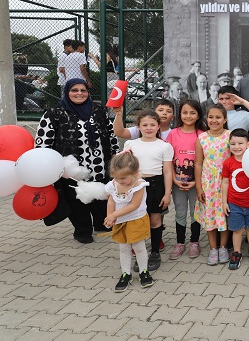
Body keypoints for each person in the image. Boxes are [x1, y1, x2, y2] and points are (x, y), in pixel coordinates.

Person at [35, 78, 119, 243]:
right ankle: (82, 230)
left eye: (83, 90)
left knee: (100, 195)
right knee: (76, 200)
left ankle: (103, 223)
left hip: (99, 164)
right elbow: (43, 142)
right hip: (71, 169)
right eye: (74, 90)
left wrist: (116, 153)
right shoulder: (54, 112)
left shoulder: (98, 109)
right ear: (67, 92)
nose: (79, 93)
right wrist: (44, 165)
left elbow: (111, 133)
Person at [123, 110, 174, 271]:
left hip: (156, 185)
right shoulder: (130, 144)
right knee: (139, 220)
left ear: (159, 126)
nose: (149, 128)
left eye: (153, 125)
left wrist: (167, 193)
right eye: (145, 125)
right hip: (136, 185)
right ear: (138, 126)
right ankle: (140, 253)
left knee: (155, 220)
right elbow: (126, 168)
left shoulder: (165, 146)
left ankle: (155, 252)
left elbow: (167, 171)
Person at [104, 150, 154, 291]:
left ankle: (144, 271)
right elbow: (111, 200)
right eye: (117, 178)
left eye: (124, 178)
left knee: (138, 246)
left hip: (135, 219)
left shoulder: (139, 185)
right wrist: (110, 216)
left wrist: (115, 215)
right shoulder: (115, 182)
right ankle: (126, 273)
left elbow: (134, 205)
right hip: (119, 220)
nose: (120, 181)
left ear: (135, 172)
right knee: (124, 247)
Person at [165, 100, 206, 261]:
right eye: (185, 112)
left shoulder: (202, 135)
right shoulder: (173, 134)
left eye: (192, 113)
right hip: (177, 183)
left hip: (197, 183)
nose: (188, 116)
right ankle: (180, 242)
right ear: (180, 114)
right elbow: (168, 160)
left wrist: (197, 182)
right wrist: (174, 180)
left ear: (198, 115)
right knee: (180, 212)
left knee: (195, 213)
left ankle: (194, 242)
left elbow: (203, 162)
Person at [222, 128, 249, 270]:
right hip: (234, 203)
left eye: (240, 143)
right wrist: (224, 202)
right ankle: (237, 252)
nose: (236, 147)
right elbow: (225, 182)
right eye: (233, 144)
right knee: (237, 230)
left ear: (248, 144)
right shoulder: (228, 163)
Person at [194, 104, 231, 265]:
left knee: (224, 215)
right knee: (210, 216)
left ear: (225, 119)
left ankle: (223, 248)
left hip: (225, 183)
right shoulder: (201, 138)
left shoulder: (230, 136)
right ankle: (213, 249)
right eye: (211, 117)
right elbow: (198, 164)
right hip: (208, 183)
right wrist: (198, 187)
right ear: (206, 119)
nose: (214, 120)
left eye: (218, 117)